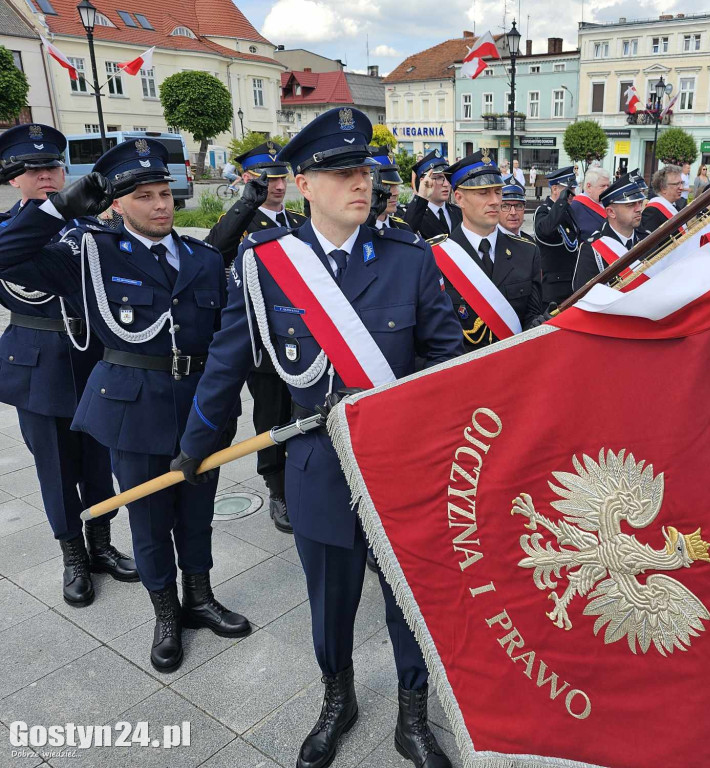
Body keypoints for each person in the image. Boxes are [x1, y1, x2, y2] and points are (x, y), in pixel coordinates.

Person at [175, 107, 462, 768]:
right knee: (330, 603)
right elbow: (227, 359)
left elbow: (447, 367)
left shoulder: (408, 260)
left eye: (363, 169)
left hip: (402, 471)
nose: (359, 182)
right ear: (304, 183)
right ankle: (339, 700)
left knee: (408, 603)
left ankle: (412, 715)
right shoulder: (268, 263)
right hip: (320, 470)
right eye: (340, 172)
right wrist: (194, 446)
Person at [0, 138, 251, 673]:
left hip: (197, 405)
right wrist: (59, 207)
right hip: (131, 407)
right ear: (117, 203)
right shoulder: (90, 253)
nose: (161, 205)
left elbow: (226, 335)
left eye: (166, 193)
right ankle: (165, 612)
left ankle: (200, 597)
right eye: (144, 196)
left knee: (198, 511)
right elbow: (6, 255)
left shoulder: (204, 259)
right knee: (148, 516)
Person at [0, 124, 136, 606]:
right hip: (38, 366)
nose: (46, 175)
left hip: (92, 358)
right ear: (13, 179)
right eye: (33, 169)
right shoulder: (6, 230)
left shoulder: (91, 226)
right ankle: (72, 554)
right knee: (55, 468)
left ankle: (101, 543)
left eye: (53, 166)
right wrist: (55, 213)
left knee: (99, 460)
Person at [206, 141, 307, 533]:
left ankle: (301, 477)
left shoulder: (299, 220)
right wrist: (246, 203)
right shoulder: (239, 221)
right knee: (270, 414)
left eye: (281, 177)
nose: (277, 186)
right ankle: (276, 487)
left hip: (305, 336)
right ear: (247, 179)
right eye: (268, 179)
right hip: (265, 339)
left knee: (303, 410)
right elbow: (215, 250)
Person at [428, 152, 542, 350]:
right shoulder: (433, 257)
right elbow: (428, 337)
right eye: (483, 193)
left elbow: (531, 316)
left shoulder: (527, 252)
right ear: (459, 198)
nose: (495, 201)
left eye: (497, 192)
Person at [571, 175, 649, 291]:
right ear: (611, 212)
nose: (639, 209)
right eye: (631, 205)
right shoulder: (592, 249)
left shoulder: (648, 239)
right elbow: (585, 298)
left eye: (640, 202)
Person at [533, 165, 582, 305]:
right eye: (569, 190)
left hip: (571, 282)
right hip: (554, 287)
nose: (573, 194)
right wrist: (561, 202)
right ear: (555, 189)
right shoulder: (544, 211)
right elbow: (546, 230)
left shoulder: (568, 210)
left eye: (573, 189)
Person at [403, 150, 461, 240]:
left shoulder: (457, 212)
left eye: (448, 178)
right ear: (424, 181)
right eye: (439, 178)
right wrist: (422, 195)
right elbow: (406, 233)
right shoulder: (415, 213)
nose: (446, 184)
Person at [366, 147, 413, 232]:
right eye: (386, 185)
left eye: (396, 185)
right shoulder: (355, 231)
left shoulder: (403, 228)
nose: (396, 192)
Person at [641, 164, 686, 232]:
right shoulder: (652, 211)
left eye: (681, 183)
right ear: (663, 188)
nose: (681, 188)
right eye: (677, 184)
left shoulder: (676, 207)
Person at [571, 166, 611, 239]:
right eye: (602, 186)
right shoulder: (575, 206)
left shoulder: (611, 204)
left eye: (608, 185)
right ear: (589, 187)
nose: (607, 189)